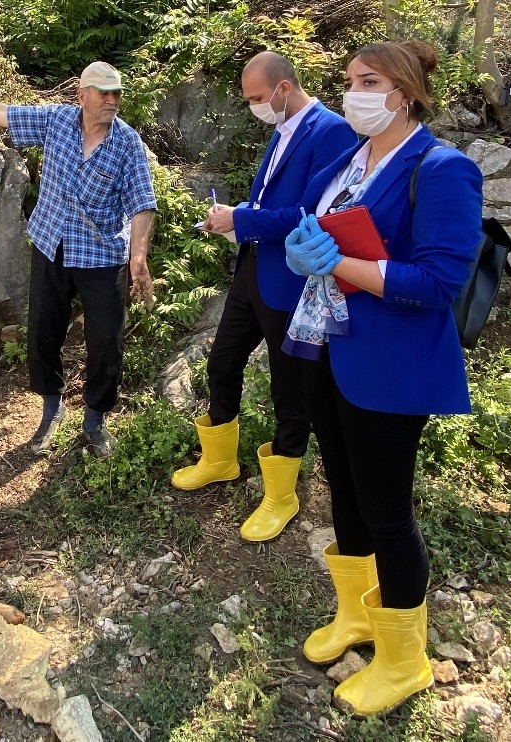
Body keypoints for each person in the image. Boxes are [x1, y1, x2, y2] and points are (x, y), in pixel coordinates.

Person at [281, 40, 483, 716]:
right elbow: (316, 224)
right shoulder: (349, 159)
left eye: (368, 81)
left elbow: (439, 280)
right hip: (327, 348)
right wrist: (301, 245)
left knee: (387, 511)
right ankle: (357, 616)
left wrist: (338, 265)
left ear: (404, 91)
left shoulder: (443, 168)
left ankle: (406, 660)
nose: (354, 93)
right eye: (348, 81)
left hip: (390, 365)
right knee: (341, 488)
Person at [0, 62, 157, 458]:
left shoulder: (127, 144)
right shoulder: (56, 121)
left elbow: (143, 203)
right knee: (42, 333)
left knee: (106, 342)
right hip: (51, 245)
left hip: (102, 255)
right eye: (103, 92)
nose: (112, 99)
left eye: (117, 93)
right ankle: (51, 408)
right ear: (82, 96)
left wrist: (137, 255)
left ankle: (94, 419)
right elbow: (0, 113)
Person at [169, 52, 355, 543]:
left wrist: (244, 220)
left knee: (288, 388)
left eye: (257, 98)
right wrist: (238, 215)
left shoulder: (332, 131)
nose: (255, 107)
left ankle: (282, 494)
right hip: (252, 270)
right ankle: (221, 460)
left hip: (290, 280)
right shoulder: (284, 127)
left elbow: (314, 213)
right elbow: (273, 202)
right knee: (222, 361)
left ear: (285, 89)